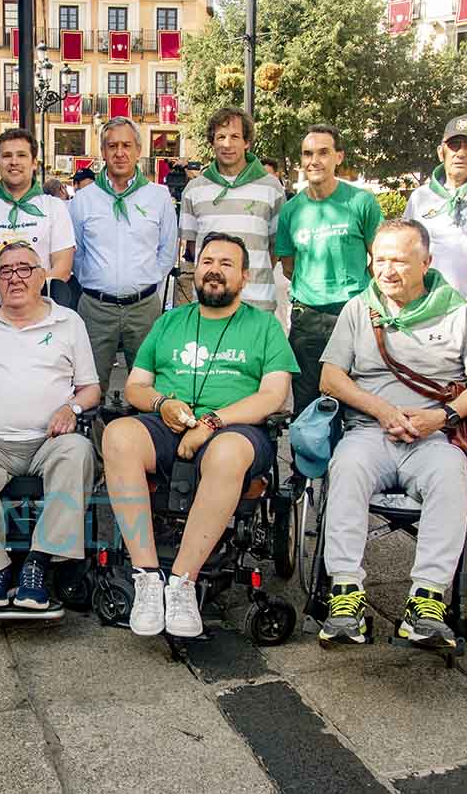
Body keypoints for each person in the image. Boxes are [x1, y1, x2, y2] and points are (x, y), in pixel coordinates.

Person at [315, 219, 467, 648]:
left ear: (426, 262)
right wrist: (382, 411)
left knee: (451, 475)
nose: (387, 270)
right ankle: (345, 594)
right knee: (345, 467)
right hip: (369, 431)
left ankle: (427, 600)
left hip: (433, 437)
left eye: (399, 260)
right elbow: (330, 377)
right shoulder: (359, 309)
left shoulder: (459, 313)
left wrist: (442, 416)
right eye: (379, 260)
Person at [102, 233, 297, 637]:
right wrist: (161, 404)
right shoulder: (169, 322)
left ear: (244, 276)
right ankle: (147, 578)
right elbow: (136, 386)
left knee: (226, 454)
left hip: (237, 429)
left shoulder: (264, 326)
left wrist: (211, 423)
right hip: (169, 422)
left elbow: (273, 396)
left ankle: (182, 584)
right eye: (207, 262)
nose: (214, 270)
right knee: (118, 435)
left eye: (226, 264)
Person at [0, 241, 100, 609]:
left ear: (42, 277)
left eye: (24, 269)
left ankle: (37, 562)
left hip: (49, 441)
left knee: (79, 452)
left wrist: (73, 407)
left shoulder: (68, 322)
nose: (15, 278)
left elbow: (91, 388)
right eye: (5, 271)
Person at [277, 124, 383, 420]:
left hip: (353, 314)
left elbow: (380, 258)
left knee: (357, 404)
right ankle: (308, 454)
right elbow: (289, 266)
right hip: (307, 320)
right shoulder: (291, 210)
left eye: (323, 152)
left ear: (339, 157)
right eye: (307, 154)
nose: (314, 161)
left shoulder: (361, 202)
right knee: (307, 409)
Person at [70, 117, 177, 393]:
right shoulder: (83, 200)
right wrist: (98, 282)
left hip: (144, 308)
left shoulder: (159, 197)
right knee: (89, 387)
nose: (120, 153)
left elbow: (167, 250)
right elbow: (76, 253)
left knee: (150, 387)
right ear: (102, 152)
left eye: (126, 145)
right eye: (112, 146)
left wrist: (145, 281)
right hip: (95, 309)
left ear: (138, 150)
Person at [180, 107, 287, 318]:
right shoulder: (194, 190)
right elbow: (192, 249)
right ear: (212, 142)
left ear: (247, 142)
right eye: (221, 137)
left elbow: (275, 247)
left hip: (257, 305)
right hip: (209, 306)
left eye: (235, 137)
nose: (227, 144)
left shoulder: (272, 188)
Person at [0, 128, 75, 299]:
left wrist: (28, 304)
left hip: (41, 310)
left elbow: (62, 268)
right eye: (6, 156)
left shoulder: (55, 208)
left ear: (34, 163)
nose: (14, 161)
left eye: (21, 155)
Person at [403, 114, 467, 296]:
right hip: (432, 303)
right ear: (441, 152)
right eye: (454, 145)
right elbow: (405, 248)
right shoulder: (420, 197)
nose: (461, 153)